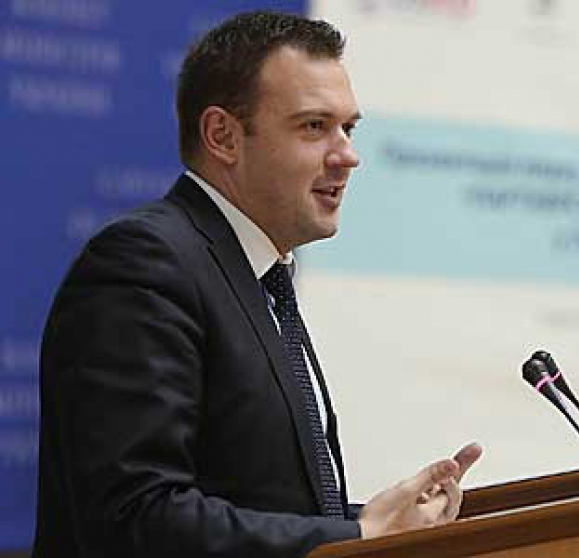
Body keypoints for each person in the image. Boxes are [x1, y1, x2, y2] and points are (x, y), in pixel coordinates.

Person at [33, 11, 482, 558]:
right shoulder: (145, 264)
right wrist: (360, 535)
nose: (347, 155)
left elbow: (266, 504)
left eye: (349, 128)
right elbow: (136, 519)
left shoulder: (258, 275)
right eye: (314, 126)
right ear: (223, 136)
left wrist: (381, 522)